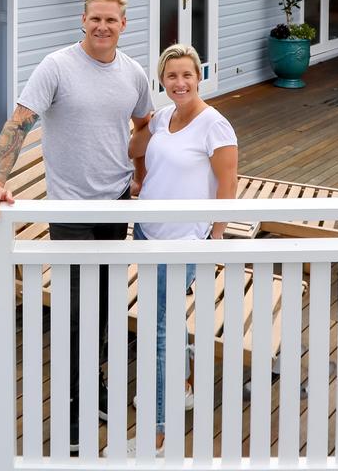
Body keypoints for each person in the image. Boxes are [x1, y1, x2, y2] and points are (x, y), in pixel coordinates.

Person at [0, 0, 153, 450]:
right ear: (83, 20)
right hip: (69, 208)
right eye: (95, 18)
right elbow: (18, 123)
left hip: (115, 203)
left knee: (110, 301)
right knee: (74, 310)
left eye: (111, 20)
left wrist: (138, 173)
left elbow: (144, 126)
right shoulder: (57, 67)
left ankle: (94, 383)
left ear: (123, 25)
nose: (102, 26)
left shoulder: (133, 73)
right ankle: (72, 408)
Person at [128, 43, 238, 452]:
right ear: (162, 79)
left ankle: (157, 433)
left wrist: (217, 235)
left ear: (199, 76)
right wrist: (139, 178)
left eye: (187, 75)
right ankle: (186, 385)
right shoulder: (162, 118)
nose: (179, 83)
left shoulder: (215, 125)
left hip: (181, 241)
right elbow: (135, 148)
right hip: (147, 232)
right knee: (168, 319)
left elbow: (228, 185)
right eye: (171, 76)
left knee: (156, 330)